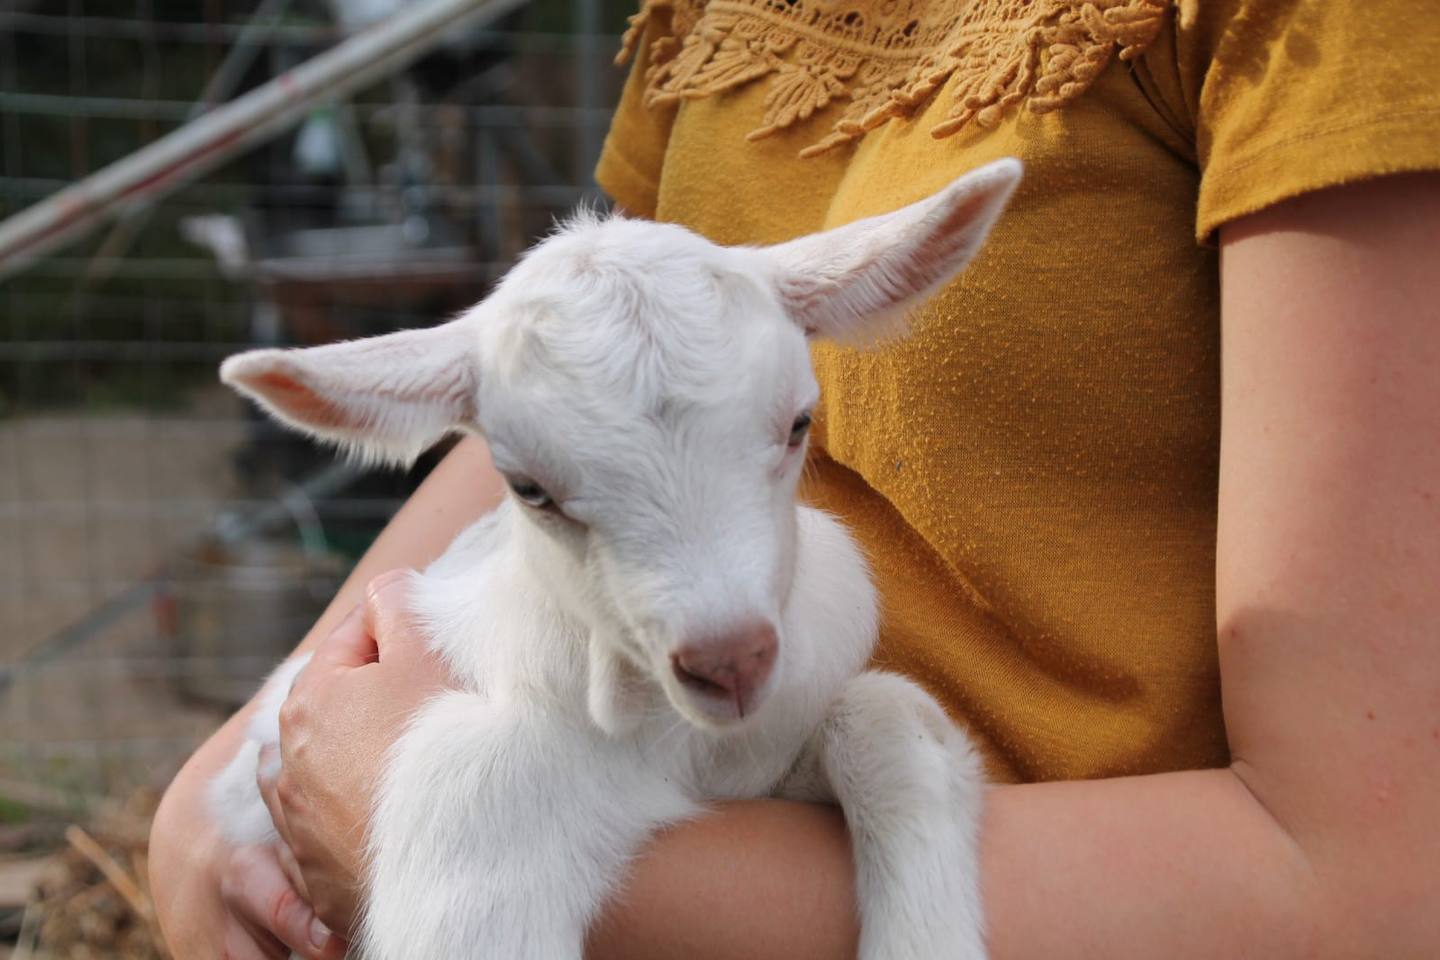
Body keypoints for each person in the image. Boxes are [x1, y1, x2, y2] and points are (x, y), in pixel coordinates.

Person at [149, 0, 1440, 956]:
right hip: (625, 756)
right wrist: (262, 756)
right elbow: (579, 409)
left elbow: (1377, 883)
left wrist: (449, 845)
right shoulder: (713, 14)